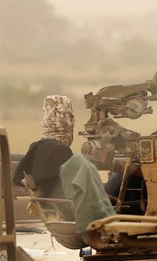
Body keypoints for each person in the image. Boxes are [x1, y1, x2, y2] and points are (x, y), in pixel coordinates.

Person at [13, 95, 114, 249]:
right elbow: (76, 191)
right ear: (69, 124)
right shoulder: (61, 153)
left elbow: (18, 178)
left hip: (55, 214)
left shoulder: (35, 148)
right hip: (71, 217)